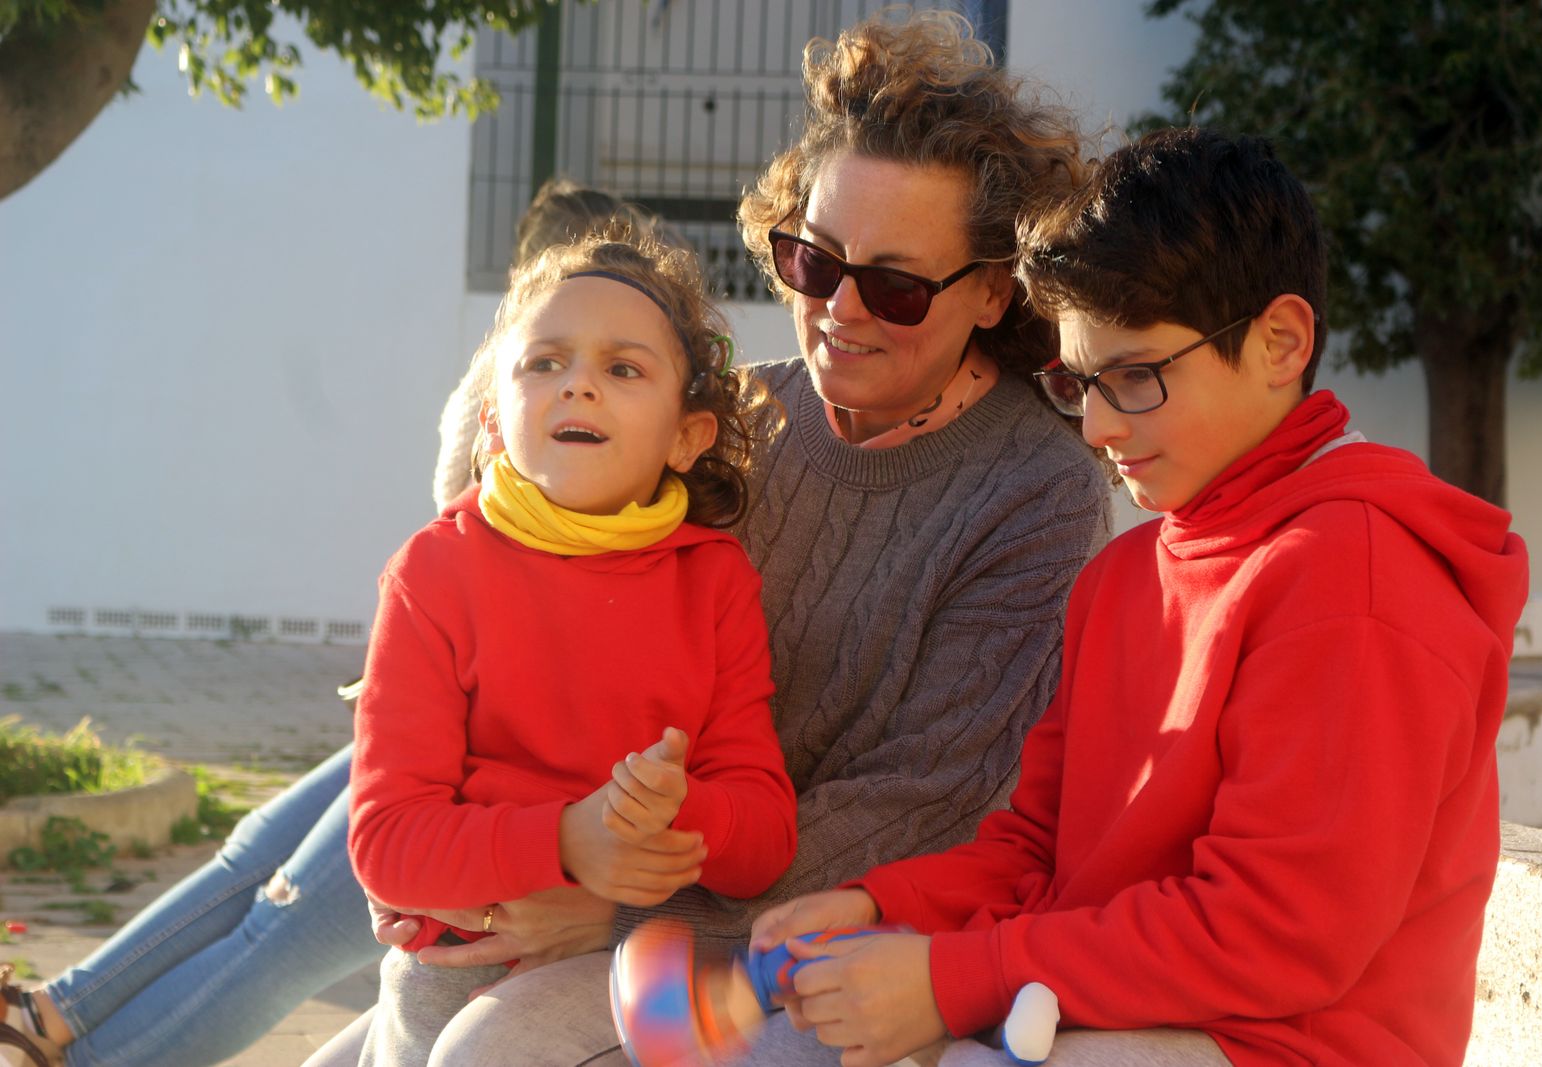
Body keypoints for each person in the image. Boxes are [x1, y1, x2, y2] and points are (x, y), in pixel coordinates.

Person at [317, 10, 1110, 1066]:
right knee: (336, 856)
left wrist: (607, 898)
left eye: (895, 285)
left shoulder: (1032, 490)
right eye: (813, 260)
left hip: (777, 932)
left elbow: (920, 807)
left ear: (989, 294)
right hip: (577, 853)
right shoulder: (748, 412)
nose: (837, 310)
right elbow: (524, 525)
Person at [747, 127, 1530, 1067]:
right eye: (1079, 382)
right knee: (784, 1048)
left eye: (1137, 378)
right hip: (1082, 1002)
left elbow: (1273, 936)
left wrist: (955, 976)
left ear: (1281, 341)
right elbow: (1042, 846)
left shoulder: (1356, 576)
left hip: (1275, 1043)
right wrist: (888, 906)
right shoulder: (1127, 573)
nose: (1099, 426)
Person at [0, 180, 685, 1067]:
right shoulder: (509, 389)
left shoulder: (586, 430)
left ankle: (77, 1045)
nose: (580, 368)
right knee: (252, 869)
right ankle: (58, 1010)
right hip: (428, 725)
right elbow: (459, 535)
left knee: (274, 930)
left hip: (471, 769)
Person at [348, 233, 798, 1067]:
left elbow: (765, 833)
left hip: (637, 957)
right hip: (456, 955)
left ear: (687, 436)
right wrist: (563, 839)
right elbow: (386, 844)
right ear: (492, 419)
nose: (578, 382)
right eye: (544, 362)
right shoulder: (434, 571)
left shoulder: (715, 582)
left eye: (624, 369)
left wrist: (674, 810)